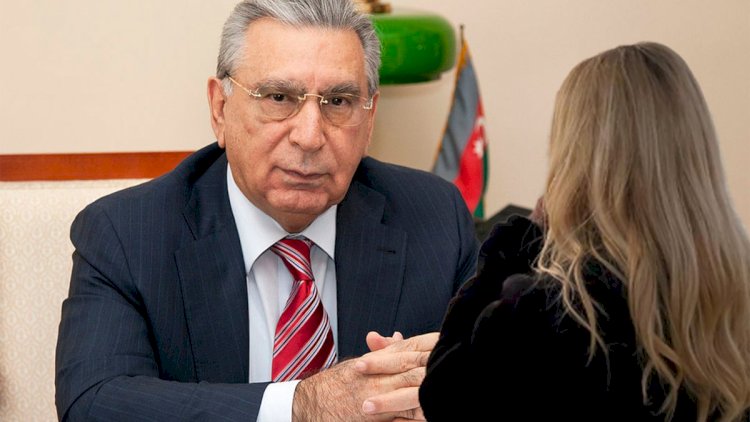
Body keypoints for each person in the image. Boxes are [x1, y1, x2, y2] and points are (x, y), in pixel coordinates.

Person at [54, 0, 479, 420]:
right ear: (220, 109)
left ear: (369, 120)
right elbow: (93, 402)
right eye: (279, 97)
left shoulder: (434, 217)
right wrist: (302, 405)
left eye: (338, 101)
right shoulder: (128, 234)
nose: (309, 137)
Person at [417, 42, 750, 421]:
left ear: (575, 157)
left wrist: (516, 245)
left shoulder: (551, 314)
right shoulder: (734, 298)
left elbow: (443, 395)